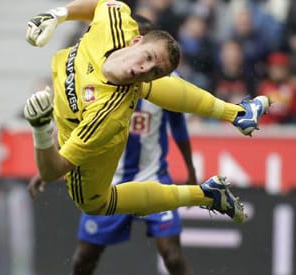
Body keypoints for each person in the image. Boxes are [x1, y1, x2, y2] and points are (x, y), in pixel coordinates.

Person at [27, 16, 209, 275]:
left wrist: (191, 170)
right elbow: (75, 131)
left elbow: (178, 126)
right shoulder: (98, 75)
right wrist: (46, 170)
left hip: (154, 178)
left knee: (172, 255)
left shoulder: (166, 81)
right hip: (108, 182)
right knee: (84, 258)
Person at [23, 0, 269, 225]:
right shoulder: (117, 23)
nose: (144, 68)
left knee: (94, 204)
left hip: (88, 131)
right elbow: (100, 5)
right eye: (148, 57)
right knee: (142, 81)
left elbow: (52, 170)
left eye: (154, 71)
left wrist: (41, 130)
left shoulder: (107, 116)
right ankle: (237, 113)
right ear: (136, 40)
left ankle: (204, 196)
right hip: (78, 100)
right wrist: (57, 15)